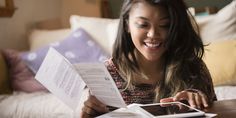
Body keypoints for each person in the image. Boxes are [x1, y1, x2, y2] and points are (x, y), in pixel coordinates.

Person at [81, 0, 217, 117]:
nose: (153, 34)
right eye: (143, 25)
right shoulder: (105, 76)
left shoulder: (193, 67)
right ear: (127, 24)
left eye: (164, 25)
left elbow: (217, 111)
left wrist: (200, 103)